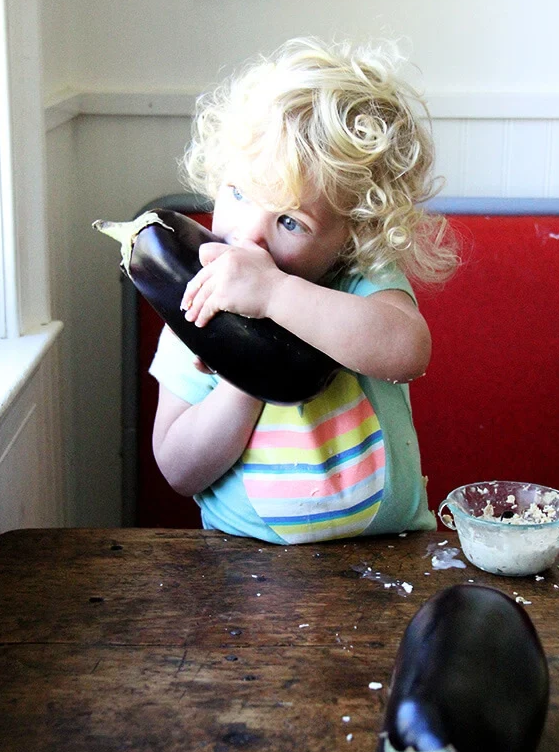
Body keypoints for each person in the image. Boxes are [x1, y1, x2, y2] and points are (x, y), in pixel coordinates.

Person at [149, 37, 459, 544]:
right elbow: (180, 470)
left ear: (353, 233)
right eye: (240, 193)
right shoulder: (194, 298)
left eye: (290, 221)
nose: (249, 237)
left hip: (390, 555)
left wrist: (273, 295)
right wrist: (243, 372)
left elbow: (407, 352)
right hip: (242, 565)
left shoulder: (357, 280)